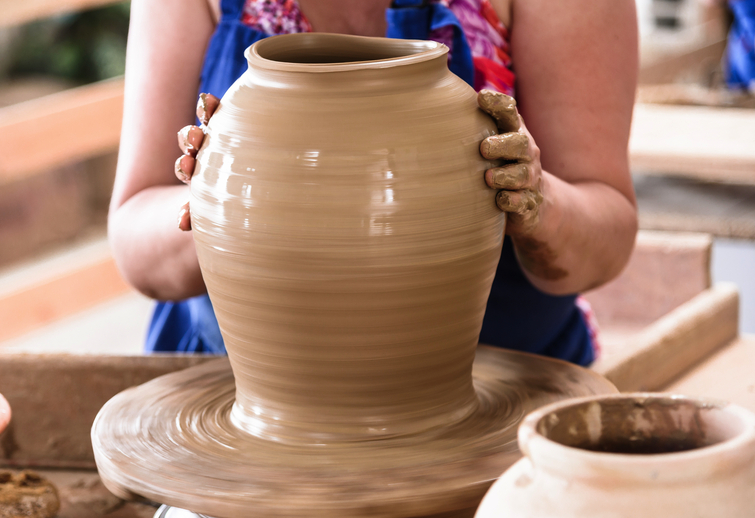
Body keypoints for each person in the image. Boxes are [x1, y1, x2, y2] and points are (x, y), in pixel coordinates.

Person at [108, 0, 639, 366]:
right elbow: (135, 228)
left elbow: (607, 227)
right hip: (234, 398)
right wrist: (228, 200)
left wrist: (537, 201)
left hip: (502, 390)